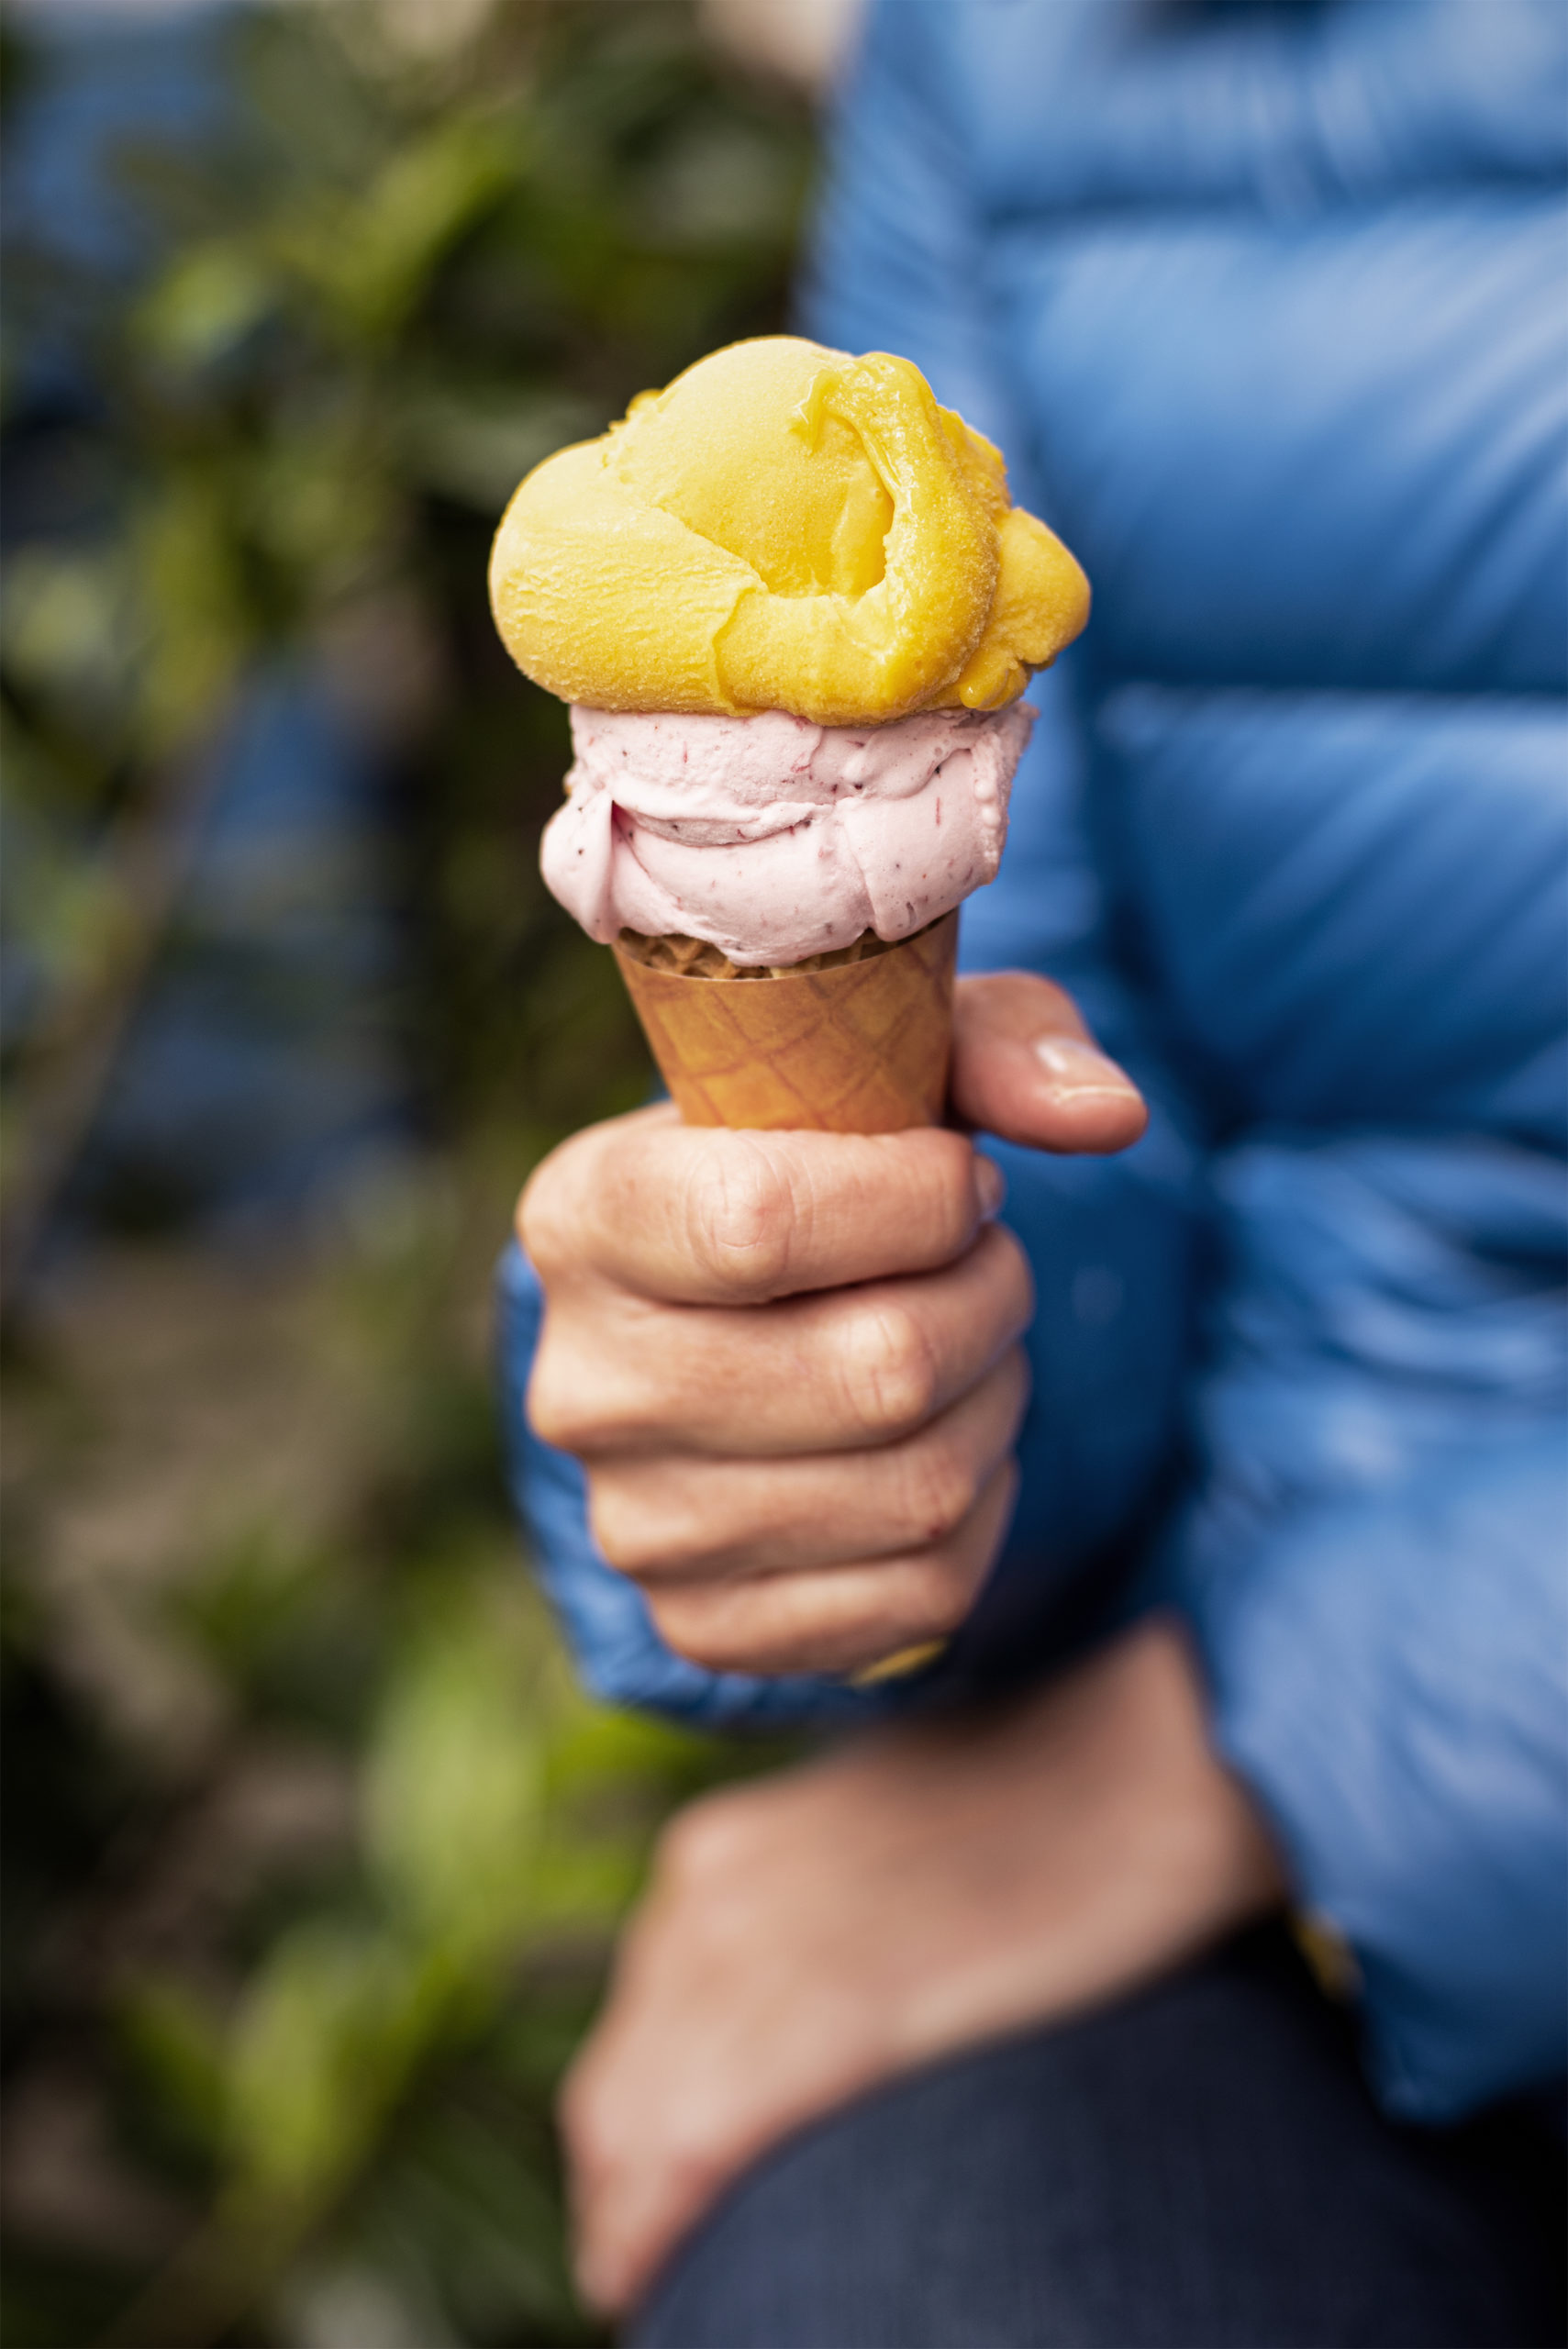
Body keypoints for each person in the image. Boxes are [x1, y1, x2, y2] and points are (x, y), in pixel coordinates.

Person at [498, 0, 1568, 2339]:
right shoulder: (1003, 56)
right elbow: (1062, 1017)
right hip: (1259, 1788)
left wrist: (1223, 1767)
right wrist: (856, 1368)